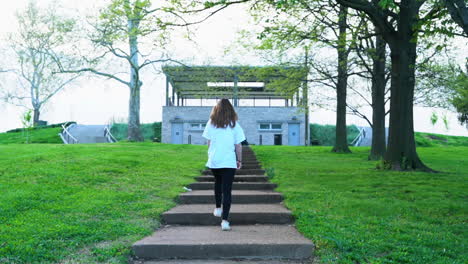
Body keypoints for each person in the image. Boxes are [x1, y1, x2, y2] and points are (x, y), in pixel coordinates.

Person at [202, 98, 246, 231]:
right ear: (230, 110)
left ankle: (217, 208)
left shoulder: (211, 123)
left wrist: (210, 155)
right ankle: (225, 222)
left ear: (216, 109)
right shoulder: (234, 124)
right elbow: (238, 145)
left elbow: (209, 142)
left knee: (217, 183)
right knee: (227, 190)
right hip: (228, 161)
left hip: (215, 159)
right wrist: (239, 160)